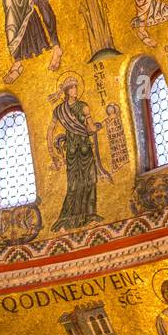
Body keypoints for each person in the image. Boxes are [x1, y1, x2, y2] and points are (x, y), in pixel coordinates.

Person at [48, 76, 111, 232]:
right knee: (79, 183)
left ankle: (87, 217)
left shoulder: (66, 109)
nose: (75, 90)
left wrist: (52, 151)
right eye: (73, 88)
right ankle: (75, 218)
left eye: (76, 87)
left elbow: (50, 131)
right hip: (79, 149)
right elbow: (91, 130)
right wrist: (106, 121)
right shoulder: (79, 108)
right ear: (67, 91)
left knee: (87, 180)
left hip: (74, 150)